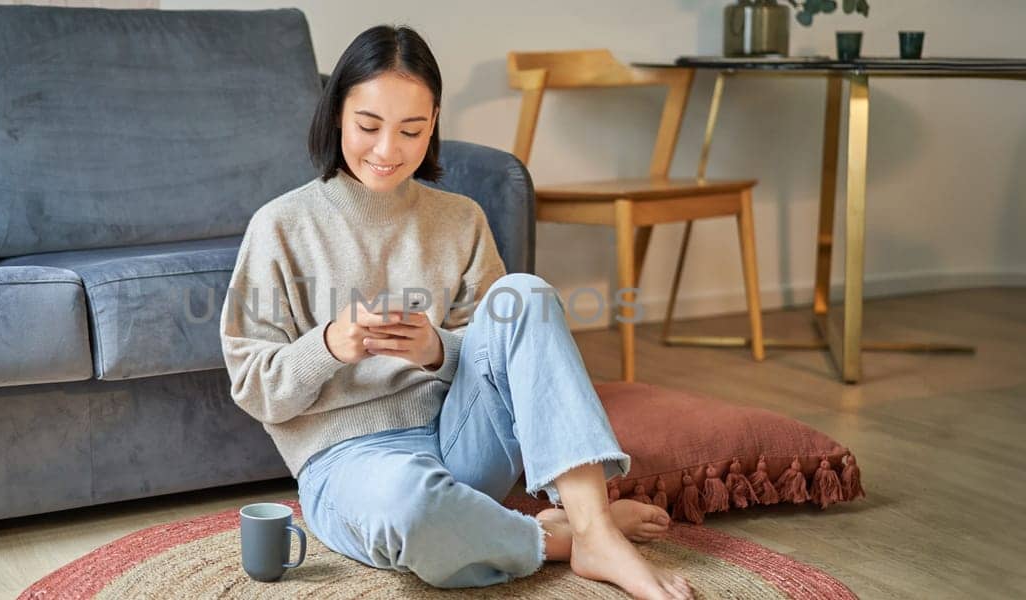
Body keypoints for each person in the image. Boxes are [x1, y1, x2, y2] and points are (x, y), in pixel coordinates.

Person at [219, 24, 693, 600]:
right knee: (415, 508)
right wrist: (331, 346)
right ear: (337, 114)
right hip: (348, 462)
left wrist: (439, 350)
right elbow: (252, 384)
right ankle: (556, 540)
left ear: (434, 122)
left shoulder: (461, 218)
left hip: (460, 437)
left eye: (411, 130)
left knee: (524, 293)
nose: (388, 150)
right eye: (369, 126)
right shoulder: (280, 227)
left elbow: (504, 360)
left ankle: (592, 526)